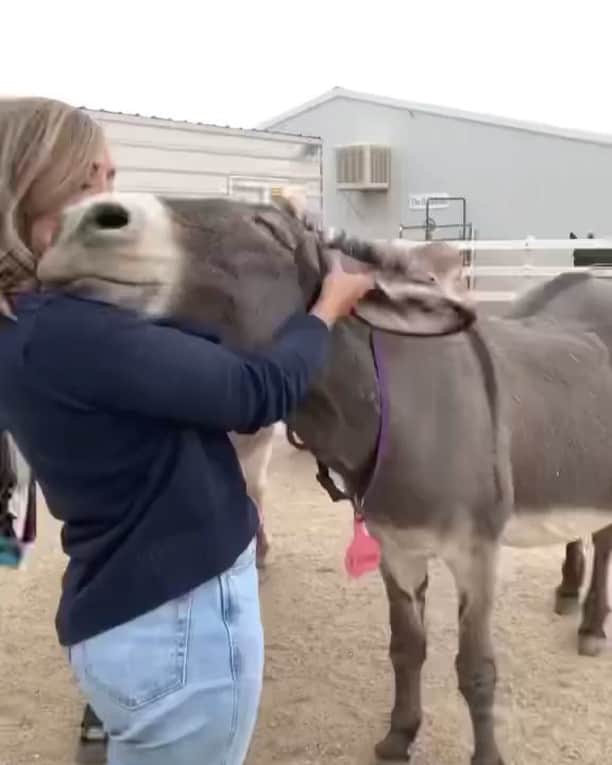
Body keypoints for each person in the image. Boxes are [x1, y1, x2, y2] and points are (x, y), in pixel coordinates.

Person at [0, 97, 374, 765]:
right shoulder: (72, 332)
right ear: (31, 189)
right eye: (91, 182)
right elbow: (253, 393)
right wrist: (326, 309)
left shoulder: (28, 321)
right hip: (177, 632)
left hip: (122, 612)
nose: (115, 203)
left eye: (114, 179)